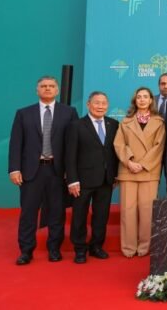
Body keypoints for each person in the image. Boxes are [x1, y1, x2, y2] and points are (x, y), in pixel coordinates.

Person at [8, 76, 78, 265]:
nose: (47, 89)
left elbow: (73, 144)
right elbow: (16, 143)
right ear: (37, 90)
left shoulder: (69, 112)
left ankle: (54, 249)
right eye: (43, 86)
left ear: (57, 90)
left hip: (58, 171)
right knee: (28, 213)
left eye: (51, 86)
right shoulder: (23, 113)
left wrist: (71, 172)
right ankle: (26, 251)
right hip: (31, 171)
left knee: (57, 212)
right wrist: (14, 169)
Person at [65, 91, 119, 263]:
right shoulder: (76, 125)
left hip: (106, 179)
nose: (100, 106)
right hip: (82, 180)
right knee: (79, 216)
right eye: (97, 103)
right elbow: (70, 155)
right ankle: (80, 249)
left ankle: (96, 246)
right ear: (88, 104)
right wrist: (72, 180)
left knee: (101, 216)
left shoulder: (113, 124)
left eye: (104, 103)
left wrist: (115, 175)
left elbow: (115, 152)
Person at [113, 87, 165, 258]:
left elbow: (159, 146)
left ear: (151, 100)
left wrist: (142, 164)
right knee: (127, 211)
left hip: (148, 171)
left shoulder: (159, 122)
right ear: (135, 101)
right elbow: (119, 144)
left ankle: (144, 246)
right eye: (139, 97)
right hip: (128, 170)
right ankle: (128, 247)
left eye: (145, 97)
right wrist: (129, 162)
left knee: (147, 211)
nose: (142, 99)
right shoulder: (125, 122)